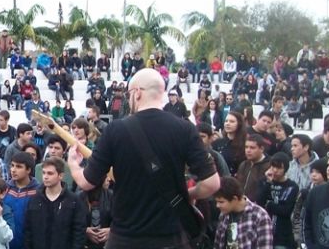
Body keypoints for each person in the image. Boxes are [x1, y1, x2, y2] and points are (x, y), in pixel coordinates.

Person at [68, 68, 220, 248]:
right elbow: (212, 183)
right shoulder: (185, 129)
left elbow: (86, 183)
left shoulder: (115, 130)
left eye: (129, 94)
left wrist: (73, 164)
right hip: (170, 238)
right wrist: (187, 195)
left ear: (137, 93)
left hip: (126, 238)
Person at [23, 157, 86, 249]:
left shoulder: (73, 201)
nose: (45, 176)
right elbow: (28, 231)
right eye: (43, 172)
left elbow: (79, 232)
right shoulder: (34, 200)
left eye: (50, 173)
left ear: (60, 175)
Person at [213, 176, 273, 249]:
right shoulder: (223, 215)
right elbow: (217, 244)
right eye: (216, 202)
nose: (217, 205)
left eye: (221, 202)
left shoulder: (259, 216)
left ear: (235, 198)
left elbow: (265, 246)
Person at [256, 153, 298, 248]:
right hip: (263, 230)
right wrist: (268, 183)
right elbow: (259, 202)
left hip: (282, 234)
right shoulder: (264, 181)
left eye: (279, 168)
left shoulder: (292, 186)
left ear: (285, 169)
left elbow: (286, 211)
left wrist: (269, 204)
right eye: (273, 166)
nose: (275, 170)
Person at [3, 152, 40, 249]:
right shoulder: (5, 188)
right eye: (12, 165)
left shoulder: (38, 192)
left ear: (28, 170)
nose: (13, 170)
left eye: (19, 167)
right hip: (6, 243)